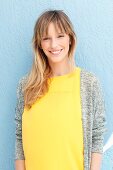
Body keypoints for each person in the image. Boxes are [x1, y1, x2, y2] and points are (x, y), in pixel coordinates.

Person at [14, 10, 106, 170]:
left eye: (60, 36)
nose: (54, 44)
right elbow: (19, 137)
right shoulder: (26, 85)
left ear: (70, 38)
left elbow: (97, 136)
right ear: (39, 44)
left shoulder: (89, 83)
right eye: (46, 38)